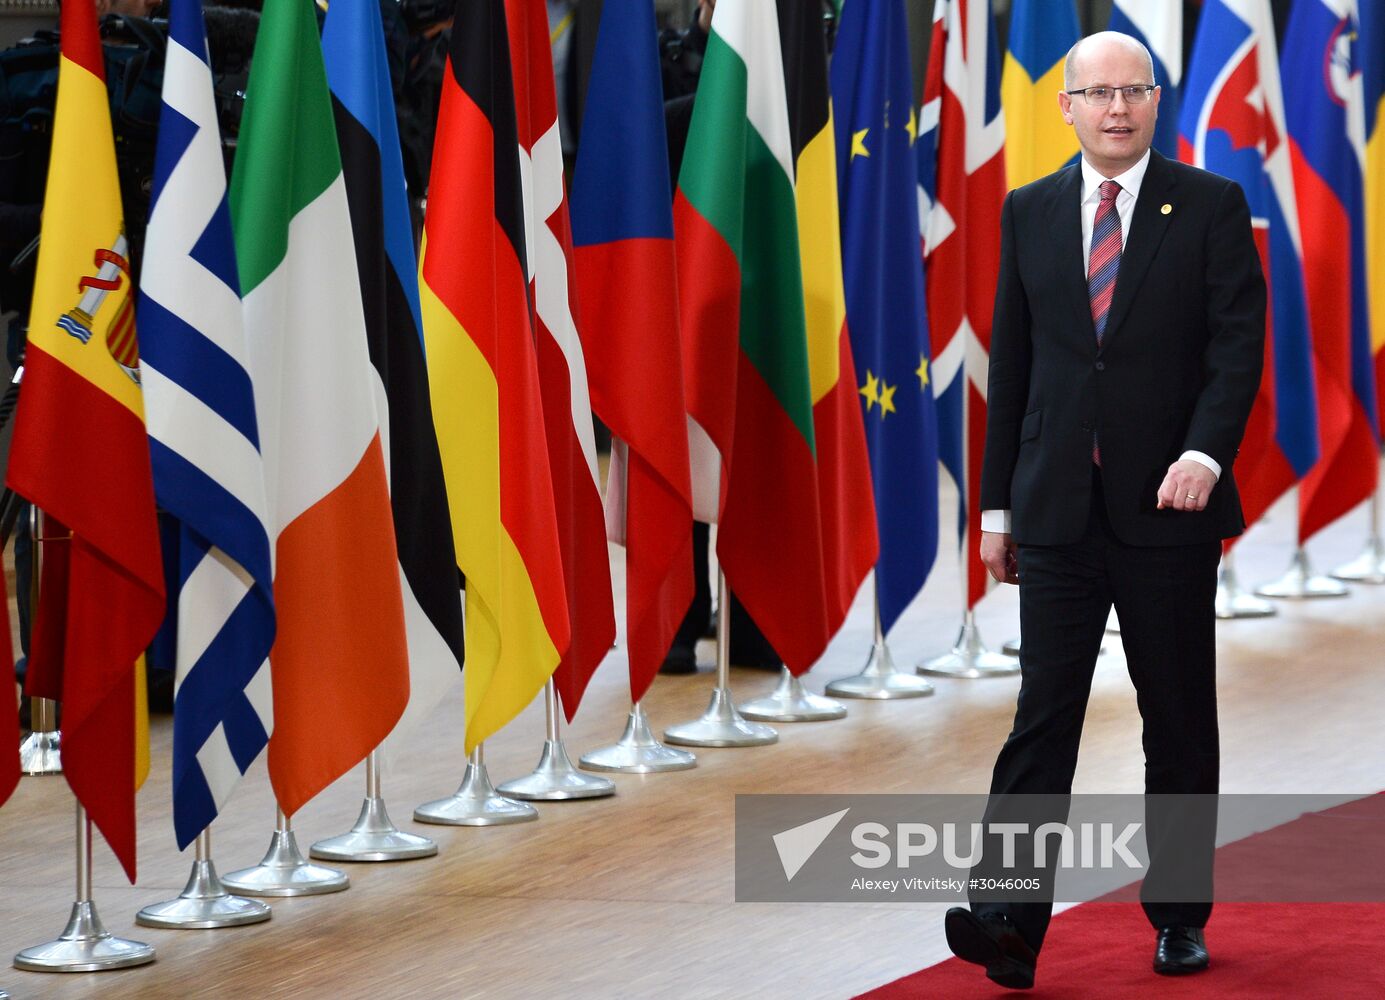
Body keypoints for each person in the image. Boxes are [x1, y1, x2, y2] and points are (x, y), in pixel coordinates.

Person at [943, 31, 1265, 990]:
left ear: (1155, 101)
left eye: (1133, 91)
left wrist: (1205, 455)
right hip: (1052, 511)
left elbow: (1235, 348)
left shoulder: (1209, 204)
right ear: (1068, 106)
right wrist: (996, 508)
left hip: (1167, 506)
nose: (1116, 108)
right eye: (1097, 93)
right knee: (1041, 715)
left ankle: (1176, 917)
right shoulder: (1029, 210)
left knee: (1174, 716)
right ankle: (1006, 920)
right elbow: (1016, 367)